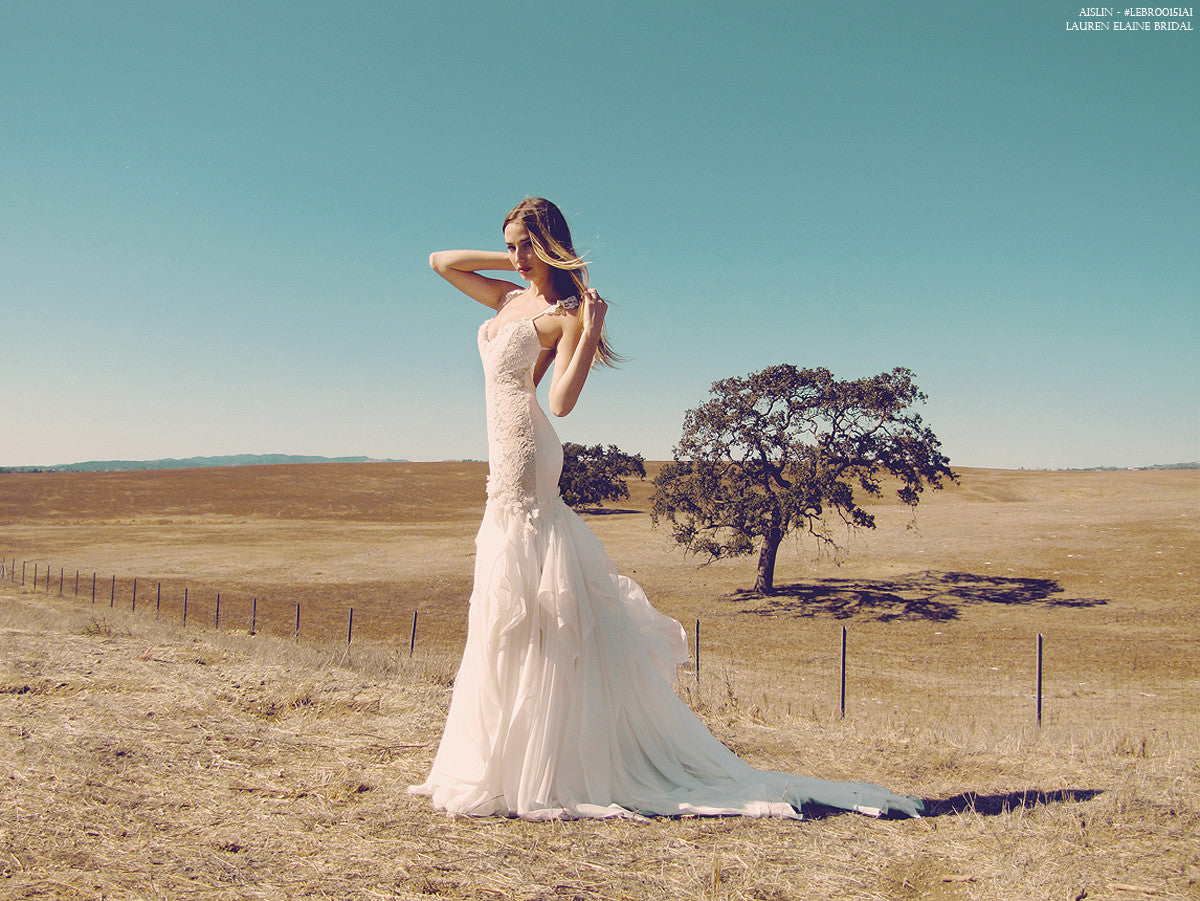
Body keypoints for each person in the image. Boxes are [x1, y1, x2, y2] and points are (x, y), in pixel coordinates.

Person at [408, 197, 923, 821]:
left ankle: (547, 761)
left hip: (527, 443)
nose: (514, 257)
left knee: (534, 578)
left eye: (523, 245)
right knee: (507, 584)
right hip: (501, 446)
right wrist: (525, 257)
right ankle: (507, 754)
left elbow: (564, 402)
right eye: (510, 245)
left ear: (546, 244)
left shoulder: (560, 311)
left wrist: (588, 326)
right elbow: (441, 262)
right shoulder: (508, 298)